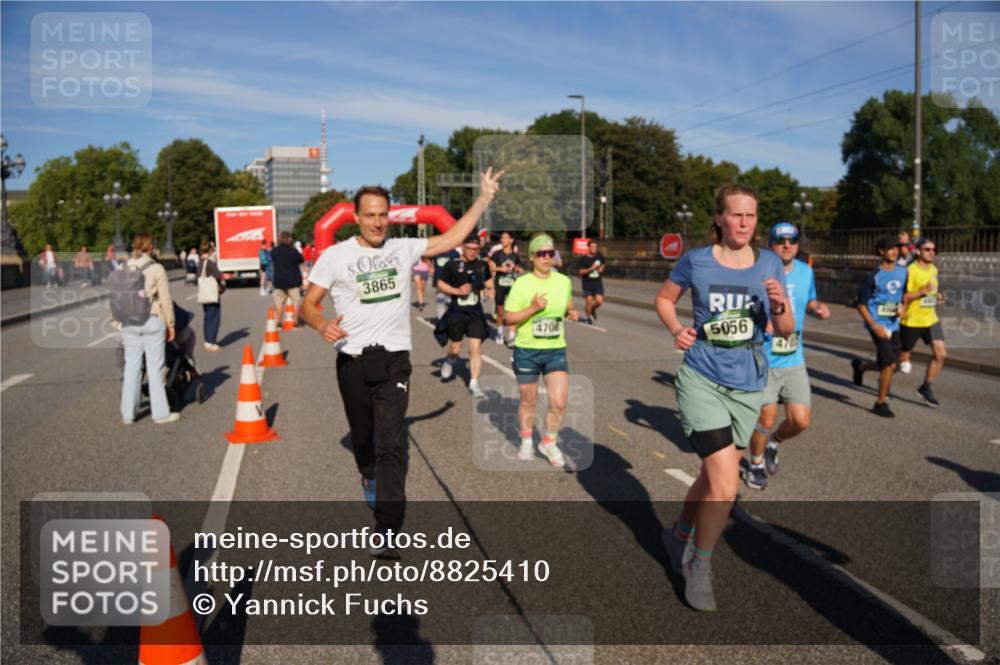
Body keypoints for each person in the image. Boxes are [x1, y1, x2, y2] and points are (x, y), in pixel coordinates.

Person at [300, 168, 504, 558]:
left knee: (391, 444)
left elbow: (451, 237)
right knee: (364, 440)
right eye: (370, 214)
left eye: (383, 214)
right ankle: (367, 473)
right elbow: (306, 305)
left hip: (394, 359)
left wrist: (483, 200)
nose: (378, 222)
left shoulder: (403, 248)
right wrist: (321, 323)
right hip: (352, 360)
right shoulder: (336, 256)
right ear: (356, 216)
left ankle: (387, 529)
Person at [655, 183, 793, 611]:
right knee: (726, 484)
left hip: (748, 382)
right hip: (701, 378)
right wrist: (678, 329)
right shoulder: (696, 261)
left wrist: (779, 305)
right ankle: (700, 562)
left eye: (751, 217)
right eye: (736, 215)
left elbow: (785, 330)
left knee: (712, 477)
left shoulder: (770, 261)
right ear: (719, 218)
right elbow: (663, 298)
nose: (744, 224)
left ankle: (678, 533)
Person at [744, 222, 830, 490]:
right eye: (780, 241)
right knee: (766, 419)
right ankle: (755, 465)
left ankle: (773, 443)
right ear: (770, 244)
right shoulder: (757, 272)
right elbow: (744, 306)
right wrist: (763, 322)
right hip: (765, 360)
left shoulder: (806, 272)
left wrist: (817, 309)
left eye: (792, 240)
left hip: (794, 359)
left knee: (800, 421)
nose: (787, 245)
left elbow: (810, 299)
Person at [504, 234, 581, 467]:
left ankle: (548, 441)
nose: (547, 258)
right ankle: (527, 440)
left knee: (559, 401)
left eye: (551, 253)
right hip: (527, 350)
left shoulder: (563, 281)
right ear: (532, 257)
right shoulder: (522, 283)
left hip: (555, 349)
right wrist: (533, 308)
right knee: (529, 400)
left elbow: (568, 304)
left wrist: (571, 312)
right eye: (542, 254)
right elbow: (508, 318)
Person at [119, 233, 180, 425]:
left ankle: (128, 414)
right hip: (151, 319)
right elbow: (165, 299)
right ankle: (160, 413)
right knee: (155, 368)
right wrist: (170, 323)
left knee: (132, 368)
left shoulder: (123, 267)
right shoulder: (156, 268)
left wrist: (118, 323)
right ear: (150, 246)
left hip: (130, 321)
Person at [850, 235, 908, 417]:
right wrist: (874, 326)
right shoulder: (873, 276)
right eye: (890, 248)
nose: (894, 251)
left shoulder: (903, 272)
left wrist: (903, 309)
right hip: (877, 324)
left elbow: (904, 295)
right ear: (881, 252)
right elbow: (860, 304)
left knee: (894, 365)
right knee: (889, 364)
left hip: (894, 324)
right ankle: (880, 402)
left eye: (896, 248)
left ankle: (861, 367)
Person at [434, 234, 495, 398]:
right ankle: (450, 360)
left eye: (476, 249)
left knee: (475, 348)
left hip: (475, 312)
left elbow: (489, 282)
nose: (473, 252)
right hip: (457, 311)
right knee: (455, 348)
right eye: (470, 248)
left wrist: (490, 289)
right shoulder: (452, 265)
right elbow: (440, 283)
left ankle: (474, 383)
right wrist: (457, 291)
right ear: (463, 246)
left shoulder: (482, 264)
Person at [898, 237, 946, 407]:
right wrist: (921, 292)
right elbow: (904, 297)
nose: (932, 252)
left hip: (930, 319)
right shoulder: (909, 270)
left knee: (940, 354)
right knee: (899, 364)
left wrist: (937, 297)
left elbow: (932, 292)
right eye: (927, 249)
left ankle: (926, 387)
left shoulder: (933, 269)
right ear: (918, 251)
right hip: (911, 321)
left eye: (933, 250)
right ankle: (865, 368)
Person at [487, 231, 522, 346]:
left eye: (505, 238)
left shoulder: (515, 255)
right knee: (500, 311)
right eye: (502, 238)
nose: (502, 240)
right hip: (500, 284)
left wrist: (518, 270)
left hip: (512, 285)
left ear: (511, 240)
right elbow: (490, 268)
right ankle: (500, 333)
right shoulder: (497, 254)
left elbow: (517, 267)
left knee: (513, 311)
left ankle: (512, 336)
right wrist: (499, 269)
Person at [271, 231, 304, 325]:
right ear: (289, 239)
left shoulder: (274, 251)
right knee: (296, 302)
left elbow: (272, 258)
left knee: (279, 303)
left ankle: (279, 322)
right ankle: (296, 321)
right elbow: (301, 259)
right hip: (293, 281)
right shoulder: (293, 251)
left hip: (279, 281)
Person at [198, 241, 225, 351]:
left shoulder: (200, 263)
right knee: (214, 317)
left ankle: (207, 340)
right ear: (209, 250)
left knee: (207, 317)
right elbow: (219, 276)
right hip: (212, 294)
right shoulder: (209, 263)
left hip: (204, 294)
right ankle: (211, 341)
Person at [577, 240, 606, 324]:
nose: (594, 249)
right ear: (588, 247)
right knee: (589, 301)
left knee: (599, 301)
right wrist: (590, 269)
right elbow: (580, 272)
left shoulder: (599, 256)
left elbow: (603, 262)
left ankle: (593, 309)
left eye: (595, 247)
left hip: (597, 283)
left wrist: (602, 268)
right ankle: (588, 318)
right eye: (592, 247)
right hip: (587, 284)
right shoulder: (583, 259)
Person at [431, 247, 460, 320]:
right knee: (441, 302)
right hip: (440, 281)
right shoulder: (437, 252)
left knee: (447, 302)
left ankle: (448, 319)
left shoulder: (454, 253)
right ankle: (442, 321)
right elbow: (427, 258)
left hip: (449, 282)